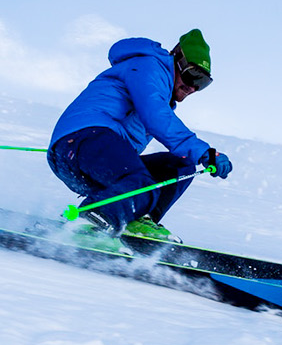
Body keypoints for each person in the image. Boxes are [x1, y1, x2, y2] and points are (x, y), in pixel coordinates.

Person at [47, 29, 233, 241]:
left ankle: (136, 222)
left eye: (202, 83)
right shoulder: (149, 67)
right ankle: (92, 224)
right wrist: (202, 151)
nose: (193, 87)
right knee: (141, 183)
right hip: (81, 141)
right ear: (177, 60)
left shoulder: (164, 93)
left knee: (178, 167)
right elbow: (155, 116)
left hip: (97, 154)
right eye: (192, 75)